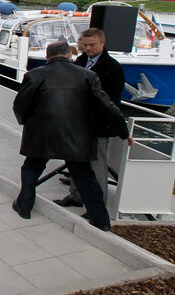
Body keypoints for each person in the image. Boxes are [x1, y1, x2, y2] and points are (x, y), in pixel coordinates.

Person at [12, 41, 132, 231]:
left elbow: (20, 105)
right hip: (78, 137)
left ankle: (24, 206)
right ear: (69, 55)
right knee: (85, 176)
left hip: (43, 134)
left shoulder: (34, 75)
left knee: (31, 168)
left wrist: (25, 122)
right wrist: (124, 132)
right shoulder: (88, 75)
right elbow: (108, 106)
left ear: (47, 57)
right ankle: (101, 220)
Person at [54, 28, 125, 212]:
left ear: (102, 43)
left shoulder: (113, 68)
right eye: (85, 45)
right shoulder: (81, 60)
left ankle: (96, 205)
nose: (88, 48)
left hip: (98, 125)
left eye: (92, 45)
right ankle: (76, 195)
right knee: (76, 161)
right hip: (78, 122)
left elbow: (112, 100)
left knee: (97, 166)